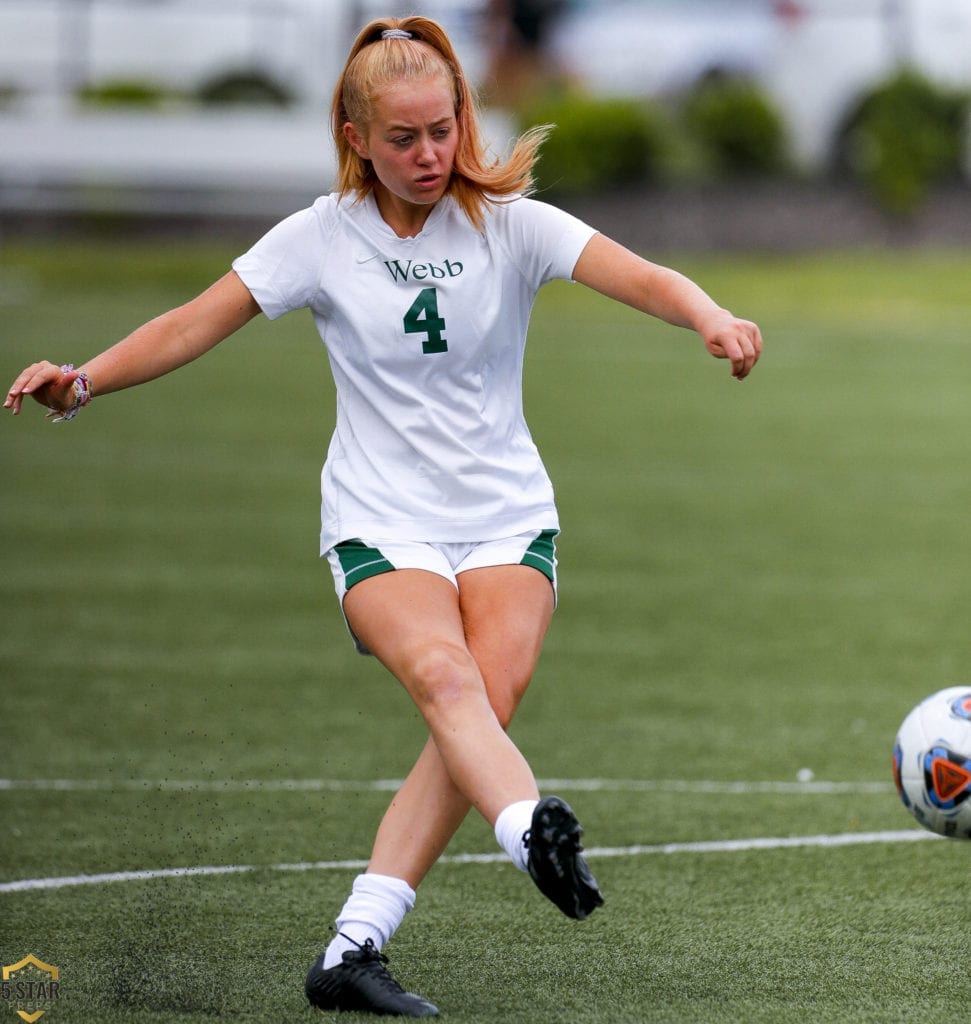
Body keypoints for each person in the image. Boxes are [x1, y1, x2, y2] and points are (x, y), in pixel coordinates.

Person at [5, 15, 762, 1018]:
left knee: (474, 714)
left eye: (442, 130)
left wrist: (709, 316)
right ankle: (529, 828)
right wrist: (85, 380)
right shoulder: (319, 237)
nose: (428, 154)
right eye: (402, 137)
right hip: (378, 520)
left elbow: (643, 276)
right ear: (355, 135)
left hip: (504, 517)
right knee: (447, 681)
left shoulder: (510, 225)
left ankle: (352, 946)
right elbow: (193, 321)